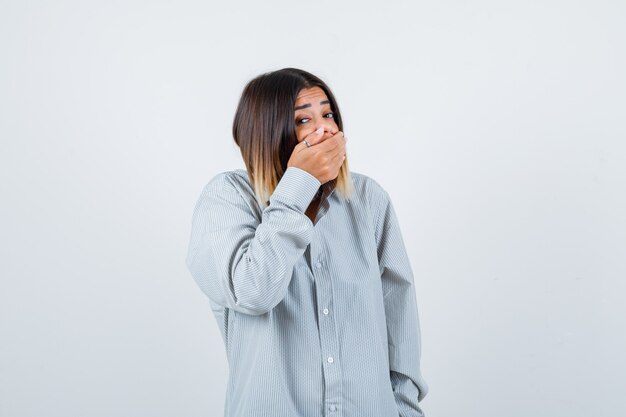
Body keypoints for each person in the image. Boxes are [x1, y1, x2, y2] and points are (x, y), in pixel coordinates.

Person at [185, 67, 429, 417]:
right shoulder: (227, 198)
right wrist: (298, 187)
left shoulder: (369, 200)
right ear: (267, 131)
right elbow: (253, 291)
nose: (326, 128)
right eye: (303, 119)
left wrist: (406, 411)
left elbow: (399, 323)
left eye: (328, 114)